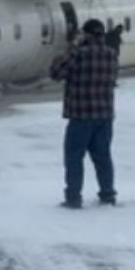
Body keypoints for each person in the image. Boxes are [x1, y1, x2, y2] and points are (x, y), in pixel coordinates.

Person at [50, 19, 120, 209]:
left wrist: (71, 47)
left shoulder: (78, 54)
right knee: (103, 157)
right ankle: (108, 195)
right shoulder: (111, 54)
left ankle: (73, 197)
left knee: (74, 158)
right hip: (104, 115)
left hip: (81, 115)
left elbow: (56, 73)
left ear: (86, 34)